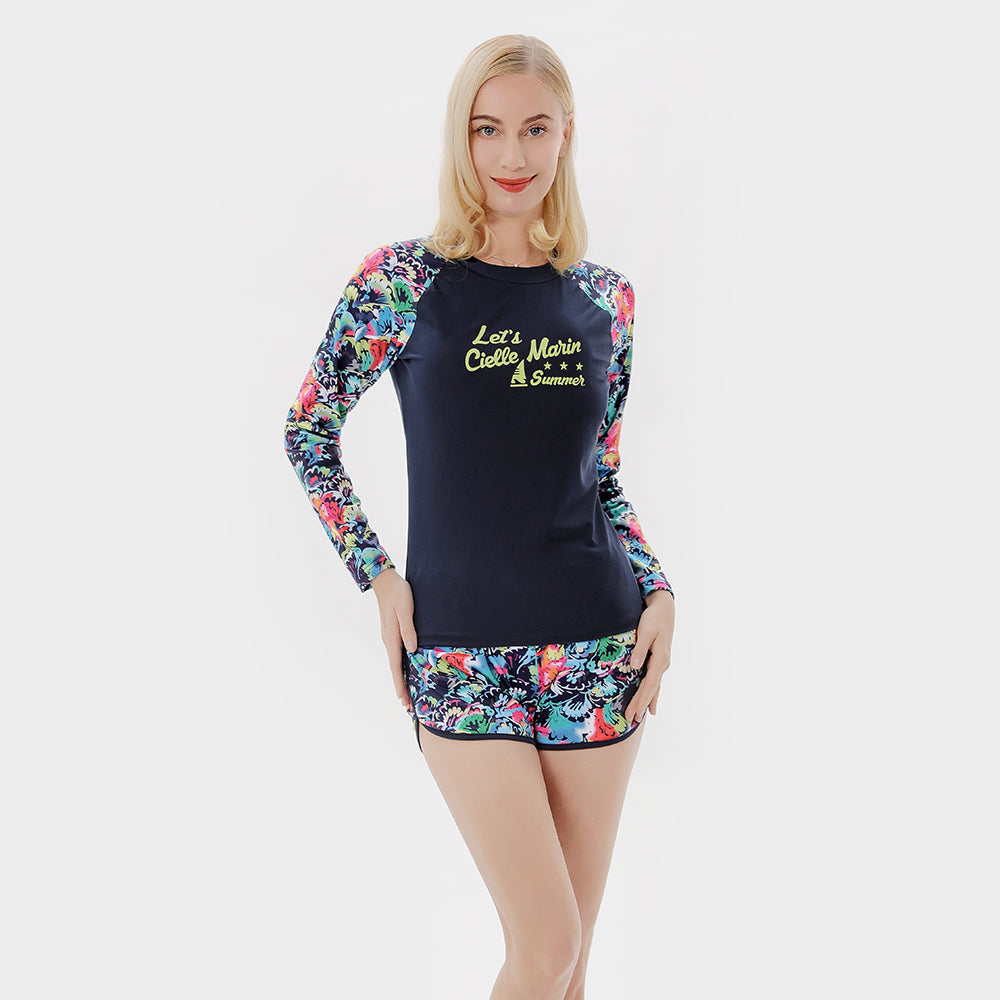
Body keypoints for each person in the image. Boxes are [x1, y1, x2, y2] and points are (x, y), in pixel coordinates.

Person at [283, 33, 676, 1000]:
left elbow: (602, 476)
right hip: (459, 655)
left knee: (569, 963)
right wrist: (377, 576)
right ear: (459, 137)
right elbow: (309, 428)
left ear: (566, 135)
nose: (511, 154)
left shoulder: (606, 300)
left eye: (535, 129)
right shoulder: (400, 283)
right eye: (487, 128)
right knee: (546, 946)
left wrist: (659, 588)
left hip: (598, 645)